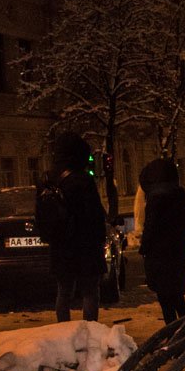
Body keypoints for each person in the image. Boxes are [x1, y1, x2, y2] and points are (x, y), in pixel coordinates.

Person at [38, 132, 107, 323]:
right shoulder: (83, 180)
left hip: (61, 246)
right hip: (85, 245)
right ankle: (90, 329)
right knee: (90, 292)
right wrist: (100, 239)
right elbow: (93, 215)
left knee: (64, 291)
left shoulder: (47, 179)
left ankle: (63, 330)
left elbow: (41, 214)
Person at [139, 159, 185, 324]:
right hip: (177, 253)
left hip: (159, 256)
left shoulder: (155, 199)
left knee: (166, 299)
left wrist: (144, 248)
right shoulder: (180, 195)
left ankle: (174, 333)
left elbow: (150, 227)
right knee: (177, 297)